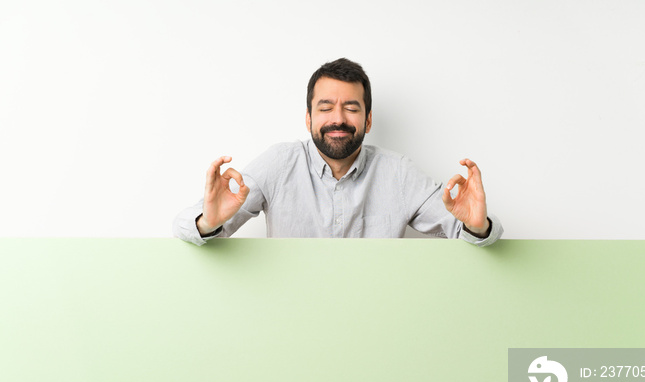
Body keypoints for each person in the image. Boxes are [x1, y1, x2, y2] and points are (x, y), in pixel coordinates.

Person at [173, 58, 503, 245]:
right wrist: (209, 220)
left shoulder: (398, 172)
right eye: (326, 107)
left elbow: (470, 234)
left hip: (376, 323)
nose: (338, 119)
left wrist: (477, 225)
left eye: (352, 108)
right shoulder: (279, 163)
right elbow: (185, 227)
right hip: (288, 319)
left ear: (368, 119)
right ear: (308, 118)